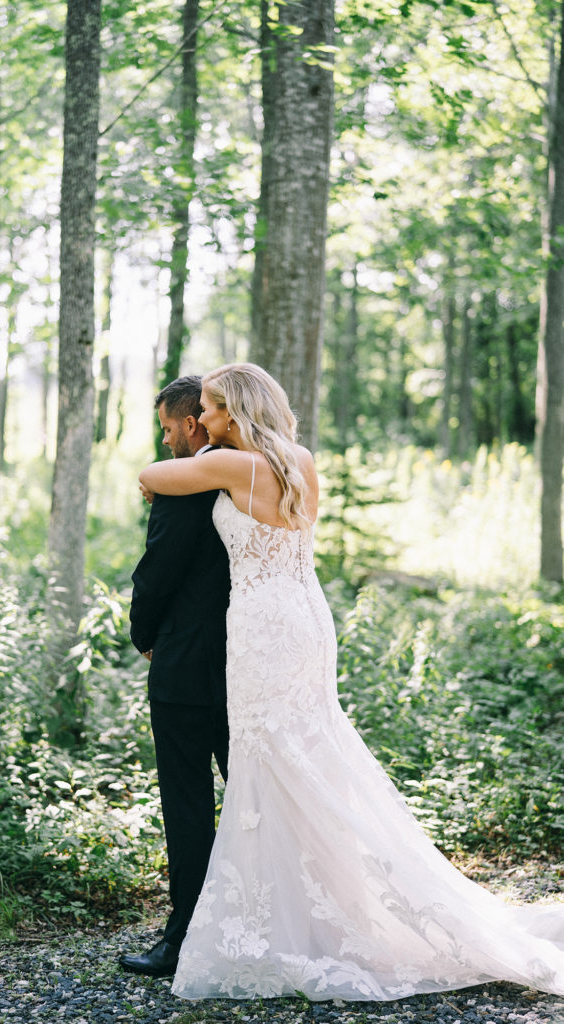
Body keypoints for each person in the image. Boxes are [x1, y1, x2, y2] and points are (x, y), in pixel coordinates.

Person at [137, 362, 564, 1001]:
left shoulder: (235, 467)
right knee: (302, 757)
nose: (204, 421)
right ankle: (316, 908)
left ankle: (269, 921)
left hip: (263, 626)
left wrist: (177, 468)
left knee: (269, 760)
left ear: (235, 411)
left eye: (213, 410)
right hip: (305, 616)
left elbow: (151, 475)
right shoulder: (296, 460)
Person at [119, 376, 230, 978]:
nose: (165, 441)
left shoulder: (183, 486)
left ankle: (184, 938)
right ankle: (265, 921)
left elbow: (156, 572)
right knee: (253, 799)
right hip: (250, 661)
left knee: (187, 805)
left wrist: (144, 635)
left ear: (192, 424)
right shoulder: (252, 474)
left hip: (186, 665)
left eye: (168, 427)